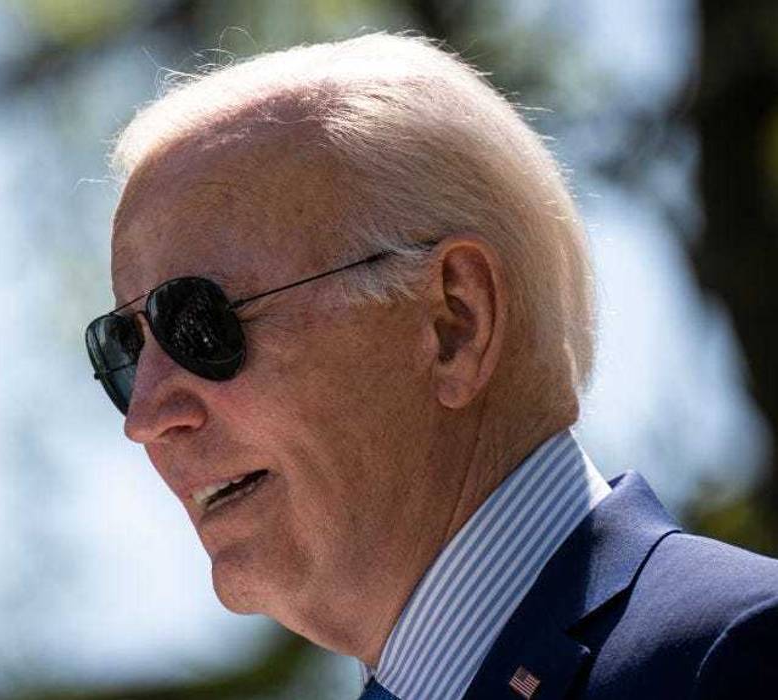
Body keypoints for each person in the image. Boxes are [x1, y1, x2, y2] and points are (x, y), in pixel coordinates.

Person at [83, 33, 778, 700]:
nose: (146, 416)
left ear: (454, 321)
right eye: (126, 346)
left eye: (198, 323)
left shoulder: (735, 656)